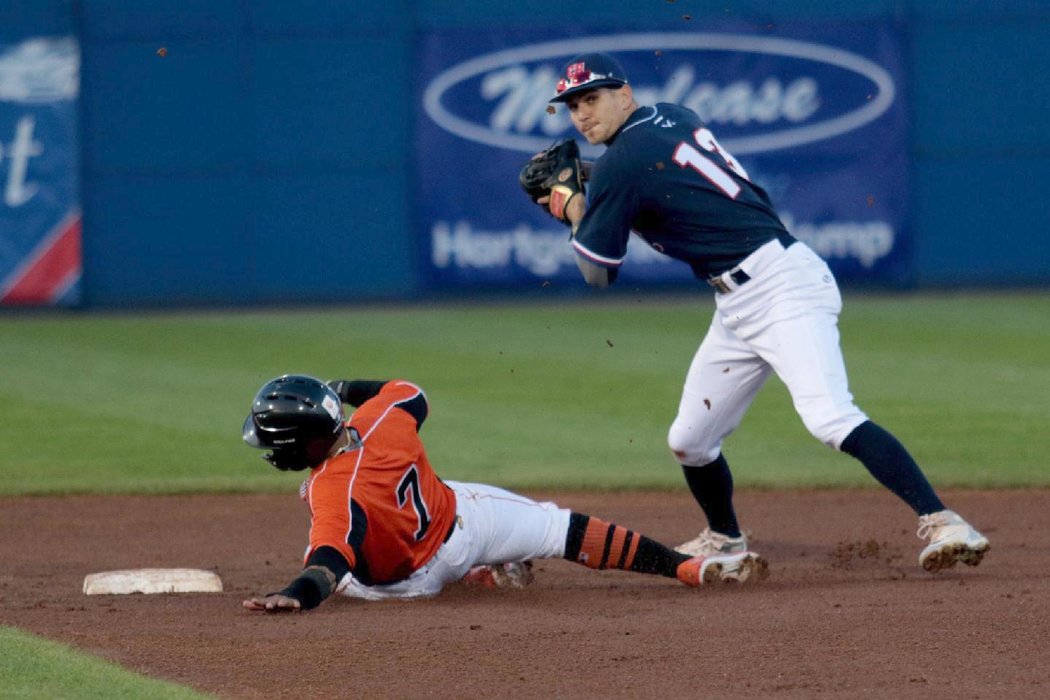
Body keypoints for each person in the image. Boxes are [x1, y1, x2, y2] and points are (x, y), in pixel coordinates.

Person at [537, 52, 989, 576]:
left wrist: (569, 202)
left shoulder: (621, 162)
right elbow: (655, 170)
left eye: (592, 98)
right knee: (690, 441)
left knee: (830, 417)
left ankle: (944, 520)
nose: (582, 114)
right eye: (572, 106)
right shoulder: (671, 115)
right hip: (739, 300)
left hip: (782, 288)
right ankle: (725, 539)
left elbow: (598, 272)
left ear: (624, 93)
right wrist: (591, 175)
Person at [240, 374, 766, 612]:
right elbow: (410, 392)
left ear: (296, 445)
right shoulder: (381, 418)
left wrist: (296, 594)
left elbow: (329, 562)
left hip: (404, 590)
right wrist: (344, 389)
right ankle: (684, 567)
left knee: (355, 578)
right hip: (465, 525)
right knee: (562, 529)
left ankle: (484, 578)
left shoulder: (333, 492)